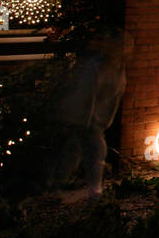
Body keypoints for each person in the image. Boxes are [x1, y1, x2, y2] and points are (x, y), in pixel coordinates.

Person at [52, 25, 132, 198]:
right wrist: (83, 119)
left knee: (74, 150)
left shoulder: (118, 68)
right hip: (86, 118)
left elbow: (113, 97)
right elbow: (86, 94)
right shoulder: (96, 67)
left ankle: (58, 184)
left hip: (95, 118)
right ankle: (94, 191)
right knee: (96, 151)